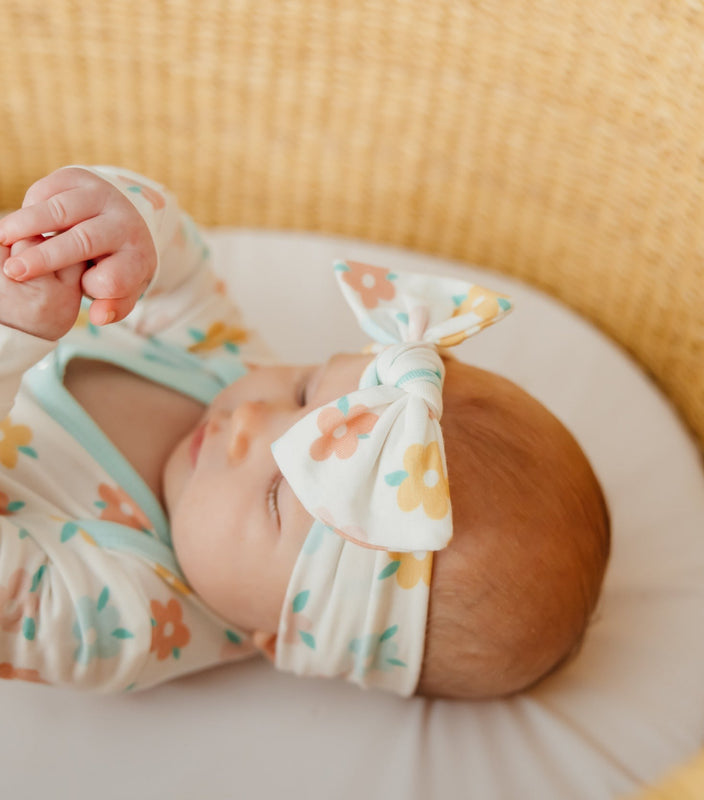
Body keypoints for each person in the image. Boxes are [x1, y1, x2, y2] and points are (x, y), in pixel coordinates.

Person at [0, 166, 609, 698]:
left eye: (275, 496)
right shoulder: (231, 373)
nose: (249, 420)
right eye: (304, 392)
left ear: (280, 630)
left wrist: (12, 337)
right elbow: (180, 274)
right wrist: (126, 224)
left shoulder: (125, 618)